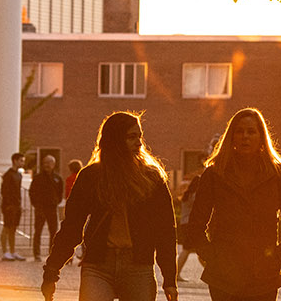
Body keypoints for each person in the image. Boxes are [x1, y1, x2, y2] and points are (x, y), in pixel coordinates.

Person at [41, 112, 178, 301]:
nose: (139, 143)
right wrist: (52, 270)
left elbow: (165, 230)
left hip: (138, 267)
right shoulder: (91, 176)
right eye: (132, 137)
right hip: (98, 266)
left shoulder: (151, 178)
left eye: (140, 136)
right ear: (115, 139)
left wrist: (169, 279)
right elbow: (72, 226)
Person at [180, 108, 281, 300]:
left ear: (261, 137)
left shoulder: (278, 174)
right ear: (231, 136)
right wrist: (212, 256)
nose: (245, 136)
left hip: (263, 277)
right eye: (239, 131)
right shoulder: (214, 174)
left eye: (251, 131)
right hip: (224, 277)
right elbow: (196, 224)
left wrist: (279, 256)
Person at [31, 155, 65, 261]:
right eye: (45, 162)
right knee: (38, 231)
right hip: (40, 208)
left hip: (52, 208)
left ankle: (52, 253)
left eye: (49, 163)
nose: (47, 165)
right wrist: (36, 204)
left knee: (53, 232)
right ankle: (37, 254)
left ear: (53, 164)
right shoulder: (38, 178)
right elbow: (32, 192)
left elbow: (60, 192)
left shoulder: (57, 178)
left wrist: (56, 201)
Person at [175, 172, 203, 282]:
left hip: (184, 224)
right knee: (189, 250)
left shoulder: (186, 195)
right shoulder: (195, 196)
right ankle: (176, 274)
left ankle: (176, 273)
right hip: (190, 225)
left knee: (192, 249)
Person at [2, 152, 26, 261]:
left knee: (13, 228)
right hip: (9, 205)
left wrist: (19, 204)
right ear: (15, 161)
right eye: (21, 160)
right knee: (7, 227)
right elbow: (5, 191)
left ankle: (12, 251)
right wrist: (7, 204)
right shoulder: (8, 175)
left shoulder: (19, 175)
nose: (23, 163)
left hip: (17, 205)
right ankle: (5, 252)